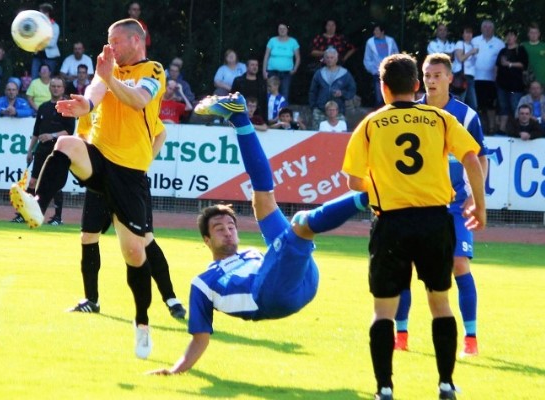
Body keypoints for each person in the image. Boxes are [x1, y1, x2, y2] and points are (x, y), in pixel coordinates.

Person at [147, 92, 369, 375]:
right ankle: (369, 196)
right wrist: (175, 370)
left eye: (230, 227)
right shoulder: (202, 283)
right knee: (301, 222)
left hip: (303, 281)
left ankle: (240, 118)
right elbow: (200, 337)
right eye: (219, 229)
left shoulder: (251, 253)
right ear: (206, 240)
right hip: (269, 297)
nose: (228, 232)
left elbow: (274, 259)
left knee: (262, 198)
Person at [10, 18, 165, 360]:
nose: (109, 48)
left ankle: (142, 324)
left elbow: (138, 100)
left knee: (134, 255)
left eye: (115, 42)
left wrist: (108, 78)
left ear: (135, 41)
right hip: (99, 159)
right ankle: (37, 203)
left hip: (129, 175)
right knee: (65, 143)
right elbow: (96, 91)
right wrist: (87, 105)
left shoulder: (153, 70)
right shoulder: (106, 67)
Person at [342, 53, 486, 400]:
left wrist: (384, 183)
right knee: (440, 303)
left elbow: (352, 181)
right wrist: (479, 205)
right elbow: (471, 156)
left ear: (384, 87)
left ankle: (385, 388)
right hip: (435, 221)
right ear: (418, 85)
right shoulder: (439, 118)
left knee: (382, 311)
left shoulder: (371, 124)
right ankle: (446, 384)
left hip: (390, 222)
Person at [394, 53, 488, 359]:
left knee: (459, 264)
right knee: (404, 266)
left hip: (455, 205)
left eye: (437, 75)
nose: (431, 81)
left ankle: (471, 338)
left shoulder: (466, 115)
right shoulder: (410, 112)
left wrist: (476, 195)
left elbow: (479, 157)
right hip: (417, 204)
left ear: (450, 77)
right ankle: (402, 334)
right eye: (427, 75)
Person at [69, 120, 186, 319]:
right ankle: (91, 300)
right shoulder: (93, 104)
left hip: (129, 183)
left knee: (144, 240)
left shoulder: (130, 103)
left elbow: (161, 133)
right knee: (88, 237)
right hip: (99, 185)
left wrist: (144, 163)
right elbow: (82, 137)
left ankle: (171, 298)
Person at [12, 77, 75, 225]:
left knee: (55, 184)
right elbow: (36, 131)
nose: (55, 89)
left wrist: (51, 136)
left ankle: (58, 218)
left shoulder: (67, 108)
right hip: (41, 151)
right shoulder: (44, 107)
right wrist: (30, 151)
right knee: (33, 182)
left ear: (63, 89)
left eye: (59, 86)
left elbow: (69, 131)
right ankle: (25, 214)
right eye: (53, 86)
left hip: (59, 152)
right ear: (49, 88)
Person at [309, 47, 356, 130]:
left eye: (332, 57)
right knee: (316, 137)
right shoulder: (319, 73)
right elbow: (313, 92)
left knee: (339, 139)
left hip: (338, 111)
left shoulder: (345, 73)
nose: (329, 60)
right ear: (324, 59)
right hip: (320, 111)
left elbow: (352, 91)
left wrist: (342, 93)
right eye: (327, 57)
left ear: (336, 59)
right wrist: (313, 107)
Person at [472, 20, 505, 134]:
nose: (487, 29)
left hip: (491, 79)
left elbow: (502, 62)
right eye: (485, 27)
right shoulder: (474, 41)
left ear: (493, 29)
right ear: (481, 29)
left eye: (489, 27)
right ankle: (480, 128)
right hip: (475, 78)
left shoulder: (499, 43)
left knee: (491, 106)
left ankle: (491, 128)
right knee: (478, 105)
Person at [495, 29, 528, 134]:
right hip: (502, 84)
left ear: (515, 37)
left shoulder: (520, 49)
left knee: (516, 108)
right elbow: (497, 66)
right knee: (503, 107)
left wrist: (509, 64)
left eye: (512, 35)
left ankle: (518, 129)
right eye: (508, 36)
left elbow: (524, 65)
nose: (509, 38)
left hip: (516, 86)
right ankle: (502, 129)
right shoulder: (502, 51)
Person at [262, 22, 301, 102]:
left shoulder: (293, 42)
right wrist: (264, 71)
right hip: (272, 71)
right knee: (270, 91)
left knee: (284, 93)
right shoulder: (272, 40)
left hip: (287, 72)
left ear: (287, 30)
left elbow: (298, 57)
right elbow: (266, 56)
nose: (282, 30)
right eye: (280, 28)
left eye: (284, 28)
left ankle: (282, 112)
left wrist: (295, 69)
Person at [363, 24, 399, 107]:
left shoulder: (391, 41)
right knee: (379, 96)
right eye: (374, 30)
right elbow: (367, 59)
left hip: (390, 72)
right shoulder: (370, 42)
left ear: (382, 31)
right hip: (377, 73)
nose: (375, 32)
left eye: (377, 30)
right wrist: (373, 70)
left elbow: (396, 54)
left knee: (391, 93)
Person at [231, 57, 268, 122]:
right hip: (241, 115)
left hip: (258, 117)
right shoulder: (238, 81)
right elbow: (232, 100)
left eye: (256, 65)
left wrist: (265, 120)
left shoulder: (262, 83)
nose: (255, 67)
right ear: (247, 67)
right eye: (252, 65)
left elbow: (264, 103)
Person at [31, 3, 60, 79]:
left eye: (41, 13)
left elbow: (52, 43)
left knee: (48, 79)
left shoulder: (55, 26)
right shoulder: (36, 26)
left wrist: (40, 43)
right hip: (37, 56)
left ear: (47, 13)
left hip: (50, 58)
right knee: (34, 78)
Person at [453, 26, 479, 110]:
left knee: (473, 105)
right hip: (462, 76)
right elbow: (460, 58)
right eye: (466, 32)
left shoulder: (472, 45)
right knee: (461, 102)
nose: (468, 35)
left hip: (471, 77)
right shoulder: (460, 44)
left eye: (470, 33)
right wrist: (471, 52)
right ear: (462, 34)